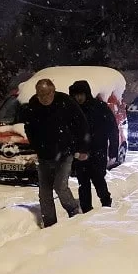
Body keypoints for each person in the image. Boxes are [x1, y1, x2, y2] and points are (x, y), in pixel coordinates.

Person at [23, 79, 88, 228]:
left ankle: (74, 211)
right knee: (45, 193)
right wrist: (36, 146)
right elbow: (29, 128)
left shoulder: (66, 102)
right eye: (40, 94)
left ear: (53, 91)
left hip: (65, 153)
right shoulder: (33, 105)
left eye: (47, 93)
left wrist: (82, 148)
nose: (44, 97)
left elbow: (81, 124)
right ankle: (50, 225)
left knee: (59, 186)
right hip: (44, 155)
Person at [69, 80, 121, 211]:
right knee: (83, 184)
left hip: (98, 151)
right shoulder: (73, 110)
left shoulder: (100, 107)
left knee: (98, 180)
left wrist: (113, 150)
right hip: (80, 153)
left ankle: (106, 204)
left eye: (81, 94)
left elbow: (112, 129)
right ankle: (86, 210)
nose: (79, 97)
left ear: (87, 93)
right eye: (76, 95)